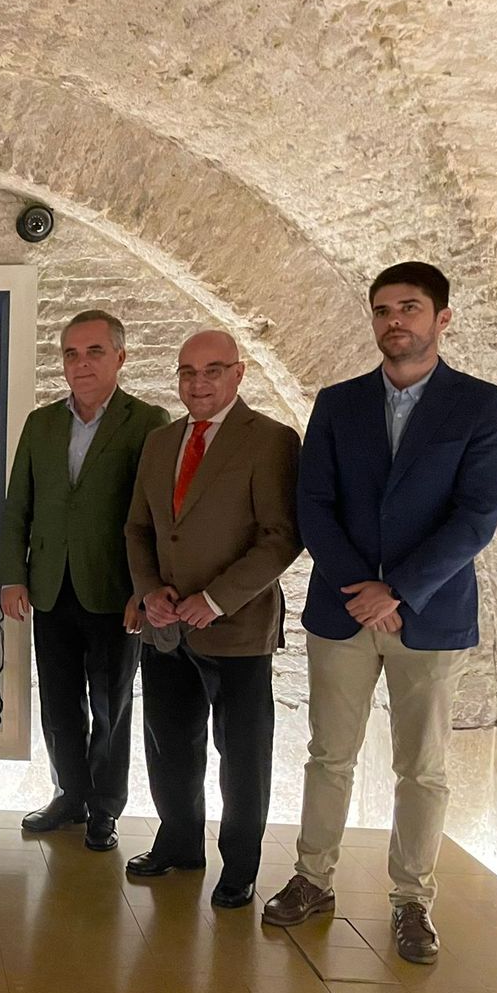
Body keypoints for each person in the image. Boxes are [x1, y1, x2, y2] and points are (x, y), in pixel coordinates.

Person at [262, 263, 497, 962]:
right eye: (382, 310)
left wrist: (398, 591)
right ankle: (313, 878)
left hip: (430, 616)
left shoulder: (480, 406)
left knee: (423, 768)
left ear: (442, 319)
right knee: (328, 755)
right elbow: (313, 505)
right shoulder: (338, 405)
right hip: (344, 611)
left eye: (409, 308)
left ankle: (412, 902)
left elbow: (475, 519)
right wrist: (361, 589)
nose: (394, 321)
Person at [124, 330, 302, 908]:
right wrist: (148, 592)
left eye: (211, 371)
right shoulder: (159, 443)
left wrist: (218, 599)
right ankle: (178, 841)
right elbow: (140, 530)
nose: (197, 384)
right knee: (169, 742)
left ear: (238, 373)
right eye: (187, 372)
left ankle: (240, 867)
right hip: (166, 625)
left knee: (242, 755)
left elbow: (281, 537)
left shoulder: (271, 441)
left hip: (236, 628)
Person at [0, 310, 170, 852]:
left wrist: (144, 590)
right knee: (58, 699)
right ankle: (70, 794)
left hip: (114, 592)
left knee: (112, 704)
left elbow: (157, 516)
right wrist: (12, 575)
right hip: (50, 586)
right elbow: (17, 507)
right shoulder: (41, 423)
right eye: (71, 353)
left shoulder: (148, 422)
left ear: (120, 357)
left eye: (94, 352)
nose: (81, 363)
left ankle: (105, 807)